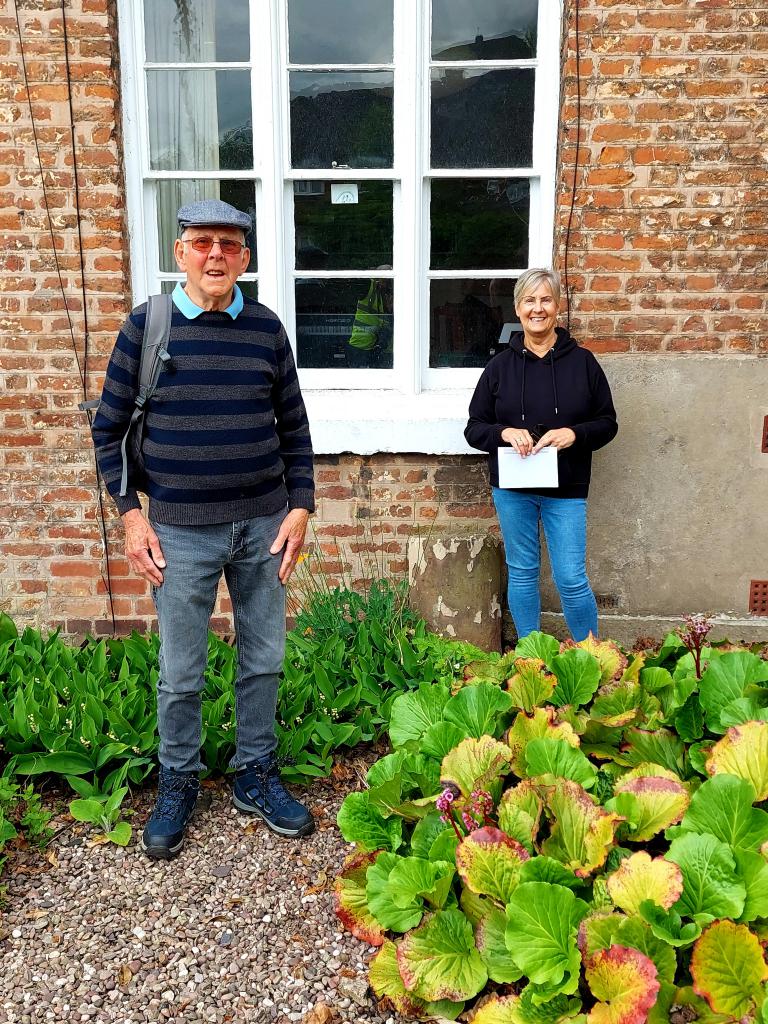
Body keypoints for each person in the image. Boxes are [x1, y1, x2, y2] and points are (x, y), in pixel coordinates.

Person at [90, 199, 315, 859]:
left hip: (264, 526)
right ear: (181, 252)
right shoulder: (147, 326)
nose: (215, 254)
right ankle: (178, 781)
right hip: (180, 532)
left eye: (229, 244)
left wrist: (300, 505)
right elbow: (108, 429)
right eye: (201, 242)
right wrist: (131, 517)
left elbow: (295, 428)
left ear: (244, 257)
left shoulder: (267, 329)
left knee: (264, 658)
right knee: (180, 669)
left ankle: (255, 772)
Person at [465, 268, 617, 642]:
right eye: (530, 301)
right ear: (518, 309)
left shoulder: (583, 363)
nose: (538, 308)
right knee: (522, 571)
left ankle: (591, 653)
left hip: (566, 489)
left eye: (545, 299)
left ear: (557, 306)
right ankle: (531, 654)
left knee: (570, 576)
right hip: (514, 488)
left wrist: (574, 434)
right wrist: (503, 432)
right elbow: (474, 428)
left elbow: (607, 423)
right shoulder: (499, 367)